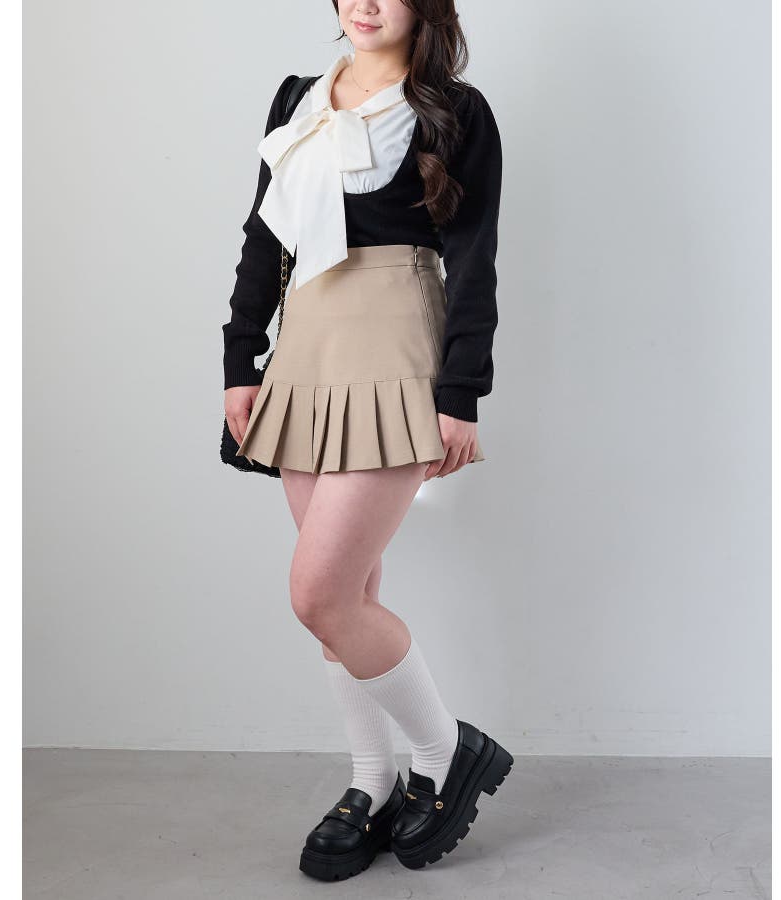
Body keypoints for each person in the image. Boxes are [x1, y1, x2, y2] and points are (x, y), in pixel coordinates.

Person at [221, 0, 512, 881]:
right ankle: (372, 780)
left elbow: (474, 256)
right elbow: (263, 236)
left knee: (319, 594)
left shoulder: (454, 113)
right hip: (305, 349)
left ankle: (446, 751)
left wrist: (460, 393)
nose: (366, 2)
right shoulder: (297, 101)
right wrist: (241, 358)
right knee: (347, 594)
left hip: (396, 346)